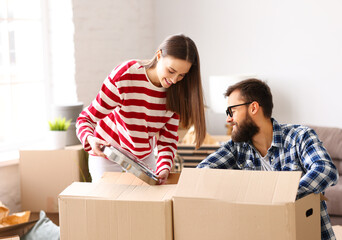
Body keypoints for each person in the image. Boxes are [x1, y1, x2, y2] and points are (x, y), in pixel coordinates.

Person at [197, 78, 338, 240]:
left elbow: (326, 170)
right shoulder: (236, 148)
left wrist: (281, 195)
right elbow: (202, 173)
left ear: (253, 108)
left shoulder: (299, 136)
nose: (228, 119)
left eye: (232, 111)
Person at [76, 34, 206, 184]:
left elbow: (167, 140)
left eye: (182, 75)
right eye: (171, 71)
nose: (175, 80)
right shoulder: (125, 76)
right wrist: (90, 139)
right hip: (107, 150)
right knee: (107, 201)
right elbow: (86, 118)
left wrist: (163, 167)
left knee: (144, 203)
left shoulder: (178, 91)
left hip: (142, 155)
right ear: (158, 55)